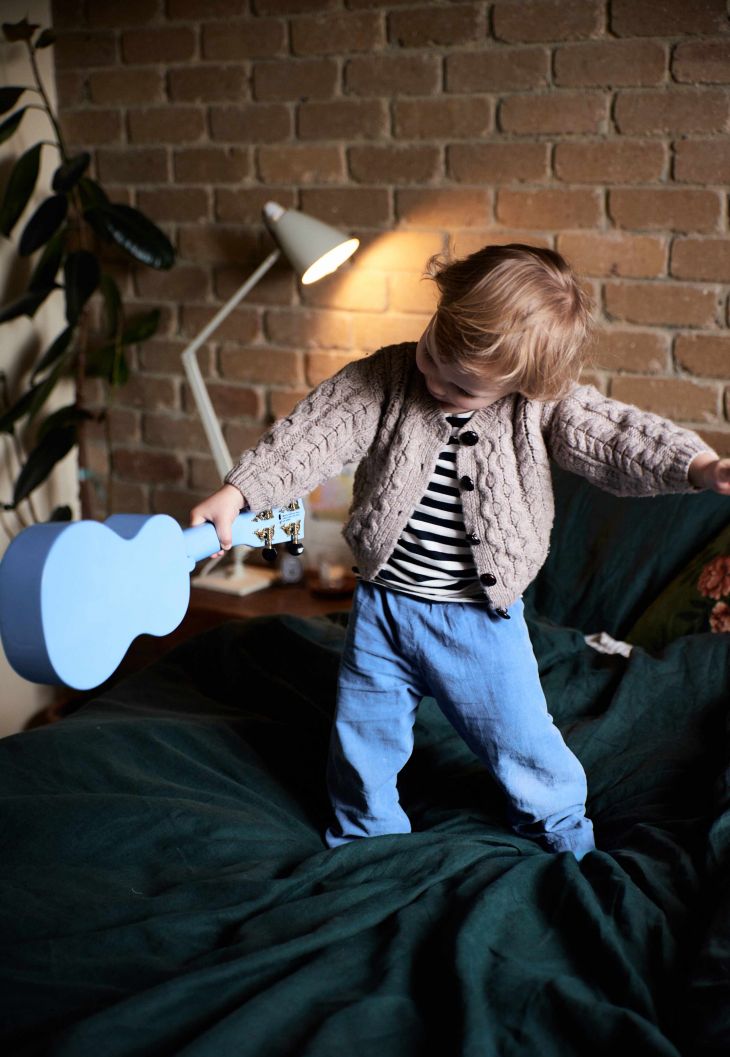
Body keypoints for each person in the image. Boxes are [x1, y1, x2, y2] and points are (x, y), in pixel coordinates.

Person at [190, 243, 730, 861]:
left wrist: (698, 465)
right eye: (431, 355)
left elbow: (614, 435)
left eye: (461, 386)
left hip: (477, 618)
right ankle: (365, 835)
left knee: (518, 736)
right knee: (362, 736)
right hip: (383, 606)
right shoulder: (387, 377)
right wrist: (242, 490)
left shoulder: (538, 405)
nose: (434, 382)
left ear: (518, 384)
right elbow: (316, 433)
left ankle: (561, 833)